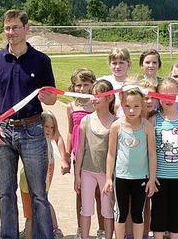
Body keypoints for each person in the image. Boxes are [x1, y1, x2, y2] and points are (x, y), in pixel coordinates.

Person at [0, 8, 56, 238]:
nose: (11, 32)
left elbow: (53, 98)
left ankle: (43, 235)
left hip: (32, 130)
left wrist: (49, 98)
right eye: (7, 28)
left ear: (27, 28)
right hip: (3, 131)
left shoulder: (41, 60)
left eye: (15, 27)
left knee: (38, 193)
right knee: (6, 192)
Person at [102, 88, 157, 239]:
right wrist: (108, 178)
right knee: (121, 213)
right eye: (127, 106)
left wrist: (152, 179)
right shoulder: (116, 126)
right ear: (121, 105)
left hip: (141, 177)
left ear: (142, 106)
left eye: (136, 106)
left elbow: (152, 154)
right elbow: (111, 154)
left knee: (138, 214)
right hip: (121, 177)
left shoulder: (147, 127)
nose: (131, 110)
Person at [148, 78, 178, 239]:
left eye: (172, 95)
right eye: (164, 95)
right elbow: (151, 151)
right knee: (159, 212)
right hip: (159, 177)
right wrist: (152, 176)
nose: (168, 99)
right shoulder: (154, 120)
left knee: (176, 212)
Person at [74, 80, 116, 239]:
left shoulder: (115, 122)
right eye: (93, 95)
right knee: (86, 209)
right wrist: (77, 174)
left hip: (106, 175)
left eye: (98, 95)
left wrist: (110, 177)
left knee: (107, 210)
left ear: (110, 98)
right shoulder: (86, 120)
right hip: (87, 171)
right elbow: (80, 149)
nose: (94, 98)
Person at [65, 68, 99, 238]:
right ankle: (81, 228)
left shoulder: (97, 104)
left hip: (96, 153)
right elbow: (71, 131)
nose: (82, 89)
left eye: (86, 85)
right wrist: (67, 153)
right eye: (78, 85)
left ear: (93, 85)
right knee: (80, 191)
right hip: (79, 155)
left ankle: (102, 229)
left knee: (100, 193)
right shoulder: (71, 106)